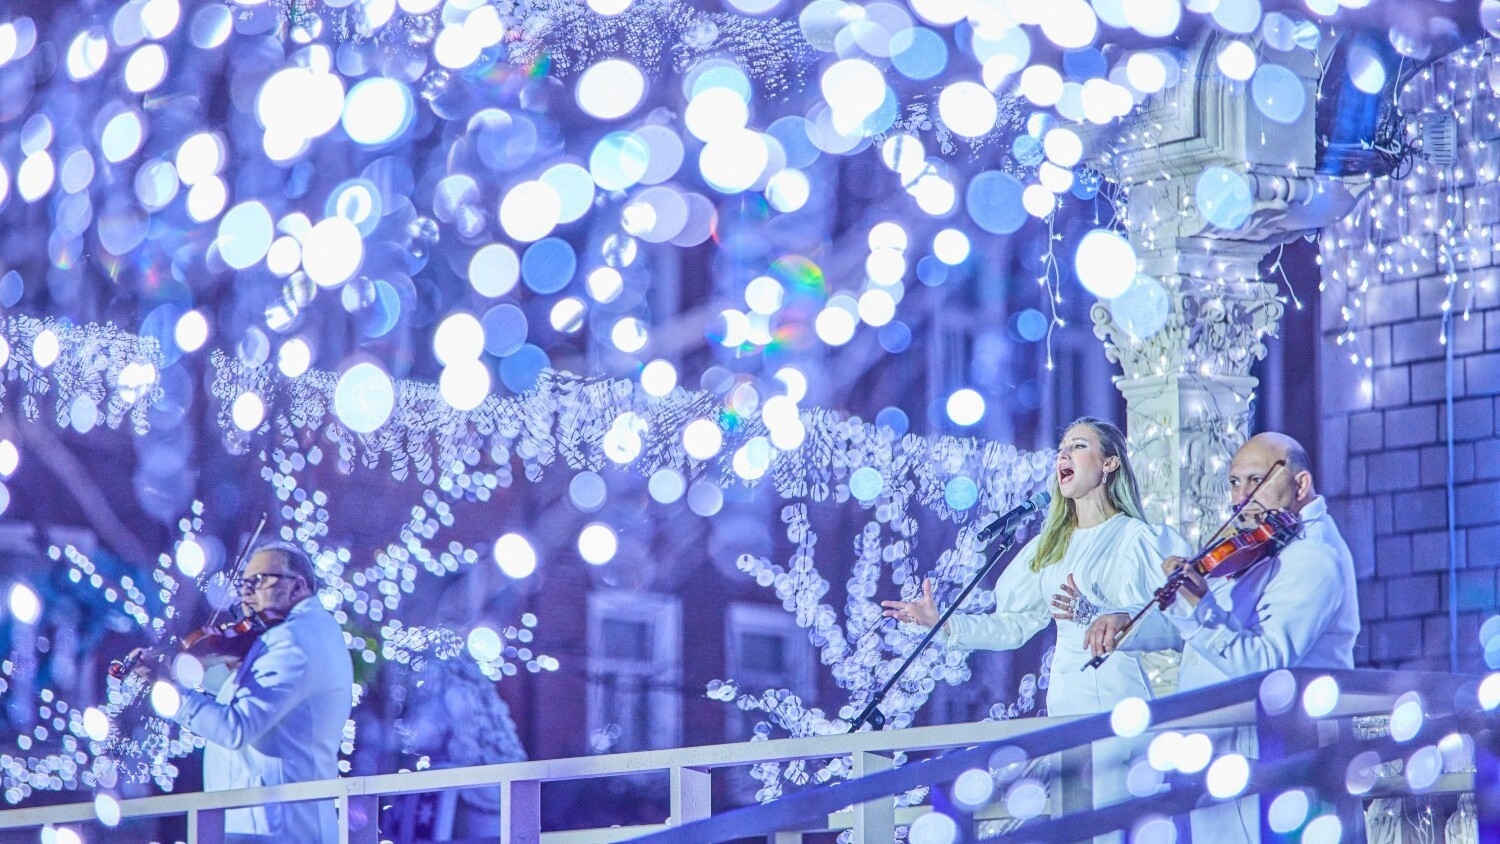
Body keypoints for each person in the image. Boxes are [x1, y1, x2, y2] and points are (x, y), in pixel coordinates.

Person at [881, 416, 1191, 842]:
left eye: (1078, 447)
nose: (1063, 455)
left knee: (1117, 827)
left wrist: (1099, 613)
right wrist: (944, 623)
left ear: (1110, 464)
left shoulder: (1136, 539)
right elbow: (1013, 626)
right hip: (1063, 706)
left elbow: (1179, 622)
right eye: (1061, 449)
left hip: (1117, 705)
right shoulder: (1052, 544)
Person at [1085, 432, 1359, 843]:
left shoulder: (1313, 557)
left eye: (1255, 481)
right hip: (1225, 762)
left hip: (1272, 765)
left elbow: (1267, 664)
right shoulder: (1263, 546)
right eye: (1233, 483)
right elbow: (1205, 635)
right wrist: (1131, 627)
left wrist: (1199, 609)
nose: (1240, 498)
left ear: (1300, 485)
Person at [169, 542, 354, 844]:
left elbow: (236, 728)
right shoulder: (301, 633)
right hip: (273, 829)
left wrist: (172, 693)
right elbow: (234, 695)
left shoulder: (292, 641)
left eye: (258, 581)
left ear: (297, 586)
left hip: (277, 831)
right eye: (243, 584)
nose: (245, 593)